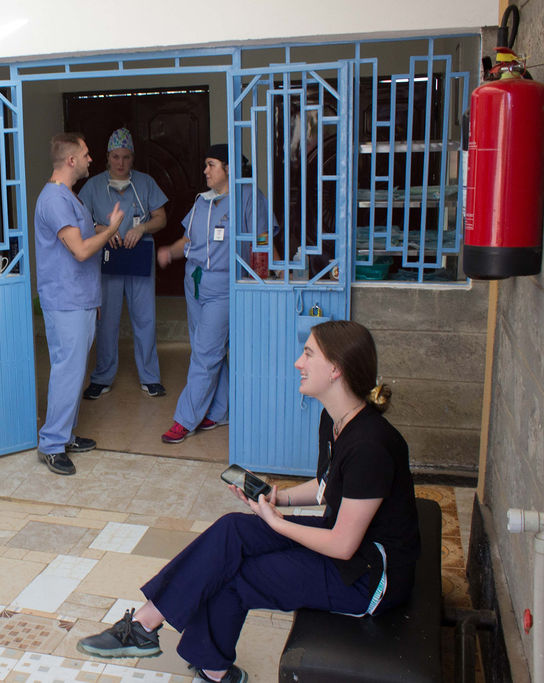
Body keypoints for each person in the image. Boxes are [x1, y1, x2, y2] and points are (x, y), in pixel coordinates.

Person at [77, 320, 420, 683]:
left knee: (238, 574)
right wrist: (278, 497)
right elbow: (328, 484)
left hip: (369, 578)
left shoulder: (370, 446)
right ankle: (146, 624)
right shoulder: (335, 420)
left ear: (336, 369)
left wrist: (277, 523)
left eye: (308, 354)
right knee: (233, 531)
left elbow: (342, 544)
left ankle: (212, 669)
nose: (298, 363)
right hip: (349, 550)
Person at [157, 144, 275, 444]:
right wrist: (170, 251)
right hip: (195, 282)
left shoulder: (248, 196)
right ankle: (220, 411)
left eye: (211, 164)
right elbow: (188, 240)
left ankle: (185, 419)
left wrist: (267, 278)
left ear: (229, 168)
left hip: (224, 286)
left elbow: (262, 239)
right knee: (207, 349)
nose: (205, 171)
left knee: (205, 353)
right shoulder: (202, 201)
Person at [34, 132, 124, 475]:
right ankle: (52, 444)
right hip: (66, 301)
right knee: (66, 373)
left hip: (80, 299)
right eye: (86, 154)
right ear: (71, 160)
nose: (91, 159)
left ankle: (65, 435)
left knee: (73, 373)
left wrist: (101, 227)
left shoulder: (68, 197)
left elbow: (82, 235)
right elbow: (81, 250)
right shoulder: (55, 200)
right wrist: (112, 228)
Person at [79, 128, 169, 400]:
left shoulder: (145, 183)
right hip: (108, 257)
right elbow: (80, 223)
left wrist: (141, 229)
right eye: (116, 157)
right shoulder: (93, 187)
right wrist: (103, 229)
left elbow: (161, 218)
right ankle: (102, 376)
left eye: (126, 157)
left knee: (145, 317)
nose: (121, 163)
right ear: (107, 157)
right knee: (106, 320)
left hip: (138, 255)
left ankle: (150, 377)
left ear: (133, 158)